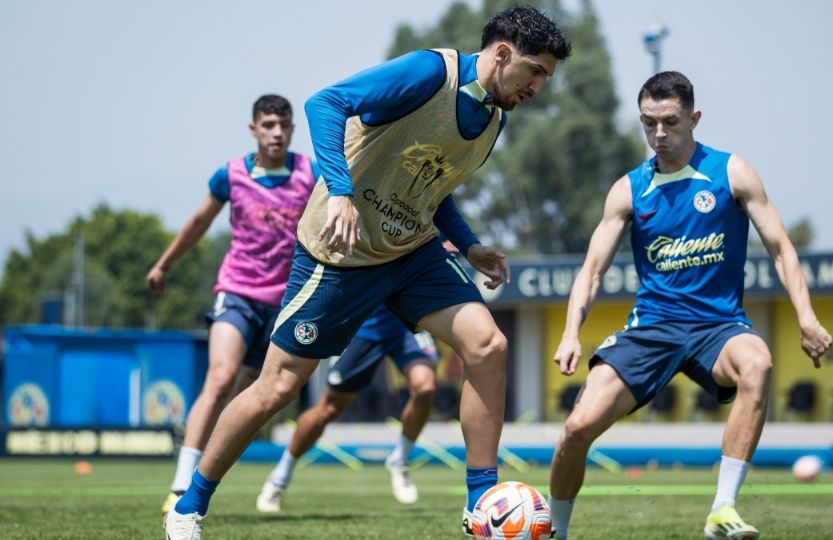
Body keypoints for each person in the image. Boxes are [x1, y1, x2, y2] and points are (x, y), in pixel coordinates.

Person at [164, 6, 571, 539]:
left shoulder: (494, 119)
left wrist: (469, 247)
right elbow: (324, 103)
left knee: (487, 346)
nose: (539, 86)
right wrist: (339, 192)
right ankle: (188, 505)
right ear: (502, 54)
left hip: (413, 251)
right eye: (535, 71)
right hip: (341, 252)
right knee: (278, 386)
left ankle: (480, 504)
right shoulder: (430, 73)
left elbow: (434, 188)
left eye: (545, 78)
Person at [546, 71, 833, 540]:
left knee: (757, 363)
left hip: (718, 327)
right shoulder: (628, 190)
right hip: (652, 328)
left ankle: (722, 509)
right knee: (576, 428)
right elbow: (592, 270)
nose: (659, 134)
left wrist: (807, 318)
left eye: (671, 122)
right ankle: (555, 531)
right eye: (649, 123)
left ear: (694, 118)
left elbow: (781, 248)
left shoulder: (732, 173)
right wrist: (570, 333)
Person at [147, 94, 316, 516]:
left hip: (285, 304)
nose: (277, 132)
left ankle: (210, 469)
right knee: (220, 378)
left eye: (284, 125)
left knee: (252, 396)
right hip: (237, 292)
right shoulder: (232, 175)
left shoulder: (310, 174)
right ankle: (180, 484)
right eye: (268, 125)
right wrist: (164, 264)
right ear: (253, 129)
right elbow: (199, 222)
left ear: (293, 129)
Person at [256, 304, 439, 511]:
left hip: (407, 326)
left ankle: (400, 460)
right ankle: (280, 476)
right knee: (329, 408)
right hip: (362, 329)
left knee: (425, 387)